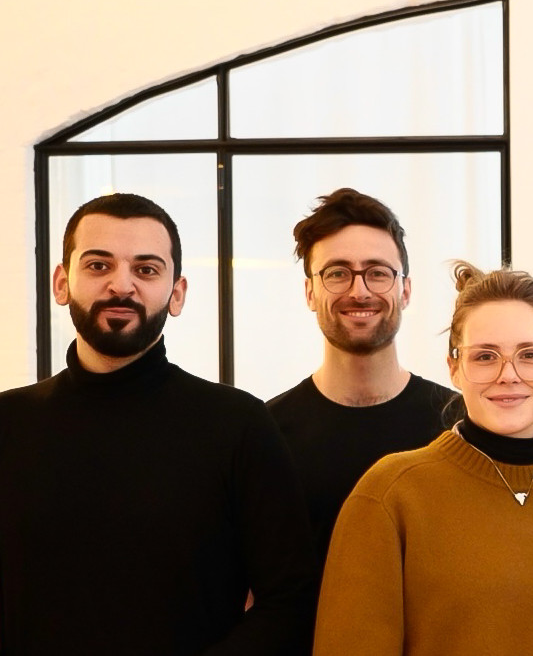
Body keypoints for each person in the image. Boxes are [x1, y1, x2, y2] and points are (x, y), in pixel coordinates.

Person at [0, 193, 316, 654]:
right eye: (98, 266)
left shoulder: (238, 425)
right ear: (62, 283)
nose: (121, 286)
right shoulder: (8, 424)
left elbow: (292, 600)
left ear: (177, 293)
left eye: (146, 269)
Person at [314, 262, 533, 656]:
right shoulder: (391, 495)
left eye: (529, 355)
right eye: (485, 356)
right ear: (454, 367)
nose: (508, 374)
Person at [268, 188, 455, 571]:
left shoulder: (457, 423)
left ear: (405, 290)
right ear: (310, 292)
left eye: (377, 273)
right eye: (337, 273)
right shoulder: (267, 434)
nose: (359, 291)